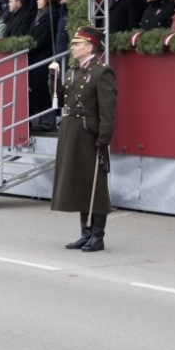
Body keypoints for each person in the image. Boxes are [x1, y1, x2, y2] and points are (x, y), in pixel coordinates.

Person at [51, 27, 117, 253]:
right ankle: (85, 233)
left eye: (76, 44)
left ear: (89, 47)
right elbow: (59, 100)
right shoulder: (72, 71)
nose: (72, 48)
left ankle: (97, 236)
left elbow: (108, 108)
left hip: (89, 132)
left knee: (94, 184)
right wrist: (53, 78)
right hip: (71, 131)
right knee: (79, 181)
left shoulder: (102, 71)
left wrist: (104, 136)